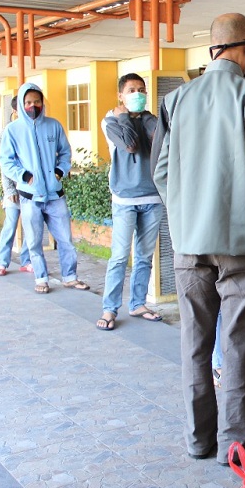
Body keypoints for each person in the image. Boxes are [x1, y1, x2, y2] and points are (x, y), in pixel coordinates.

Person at [153, 12, 245, 467]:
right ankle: (235, 445)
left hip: (188, 242)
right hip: (239, 243)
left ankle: (199, 440)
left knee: (195, 342)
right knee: (239, 340)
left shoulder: (175, 100)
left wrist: (185, 213)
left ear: (213, 49)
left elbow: (160, 172)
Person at [0, 82, 89, 295]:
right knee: (34, 240)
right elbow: (6, 161)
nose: (33, 106)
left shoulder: (54, 125)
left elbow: (65, 152)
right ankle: (41, 277)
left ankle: (70, 276)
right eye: (28, 102)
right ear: (21, 104)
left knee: (66, 239)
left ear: (42, 102)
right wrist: (24, 176)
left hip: (55, 194)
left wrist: (60, 170)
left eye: (37, 101)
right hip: (30, 196)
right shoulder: (12, 130)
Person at [96, 73, 164, 331]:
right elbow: (130, 145)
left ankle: (137, 303)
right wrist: (124, 116)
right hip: (125, 199)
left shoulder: (150, 119)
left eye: (141, 89)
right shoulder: (110, 121)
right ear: (120, 95)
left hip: (153, 198)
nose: (138, 94)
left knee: (145, 256)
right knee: (119, 256)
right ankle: (110, 308)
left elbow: (158, 137)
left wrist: (142, 116)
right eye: (132, 90)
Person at [0, 97, 32, 276]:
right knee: (10, 224)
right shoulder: (8, 131)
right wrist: (9, 189)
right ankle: (2, 262)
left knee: (31, 225)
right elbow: (5, 163)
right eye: (26, 106)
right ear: (16, 111)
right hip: (15, 188)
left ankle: (27, 260)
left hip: (31, 188)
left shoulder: (33, 129)